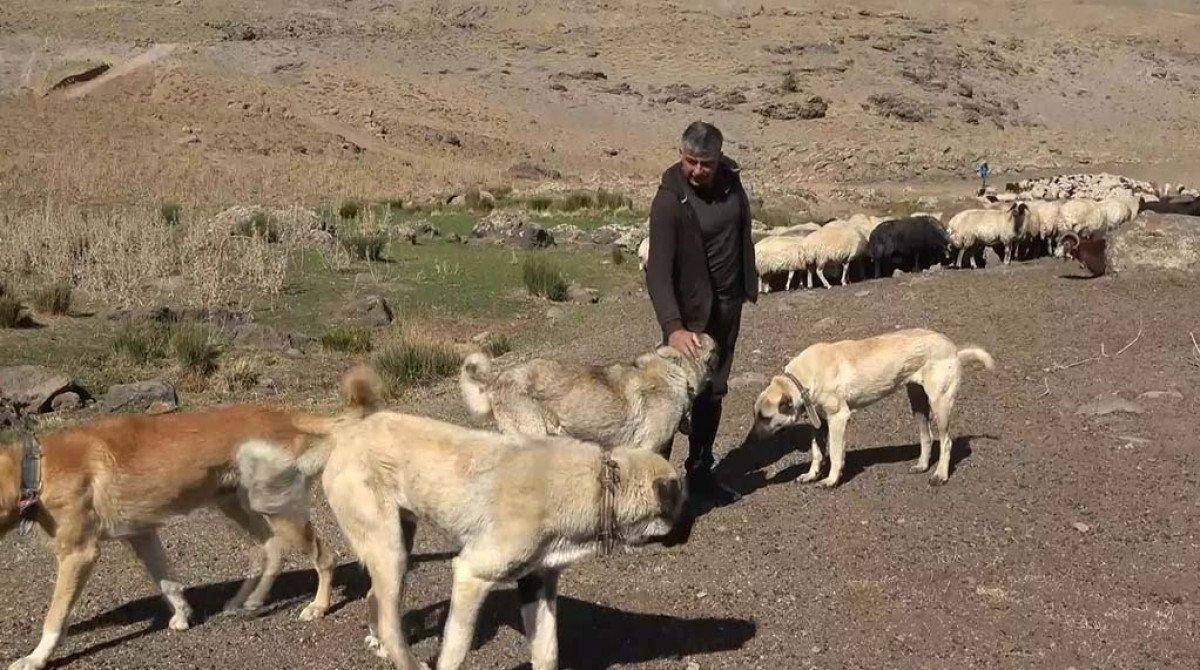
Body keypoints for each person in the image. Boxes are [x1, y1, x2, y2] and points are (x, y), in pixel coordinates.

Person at [645, 121, 757, 505]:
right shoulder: (668, 202)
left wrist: (743, 288)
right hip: (689, 318)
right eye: (690, 161)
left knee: (714, 392)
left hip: (727, 308)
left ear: (718, 159)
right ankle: (654, 486)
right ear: (680, 155)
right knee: (672, 398)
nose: (696, 170)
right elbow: (657, 272)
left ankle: (701, 472)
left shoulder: (732, 183)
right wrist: (673, 327)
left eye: (704, 163)